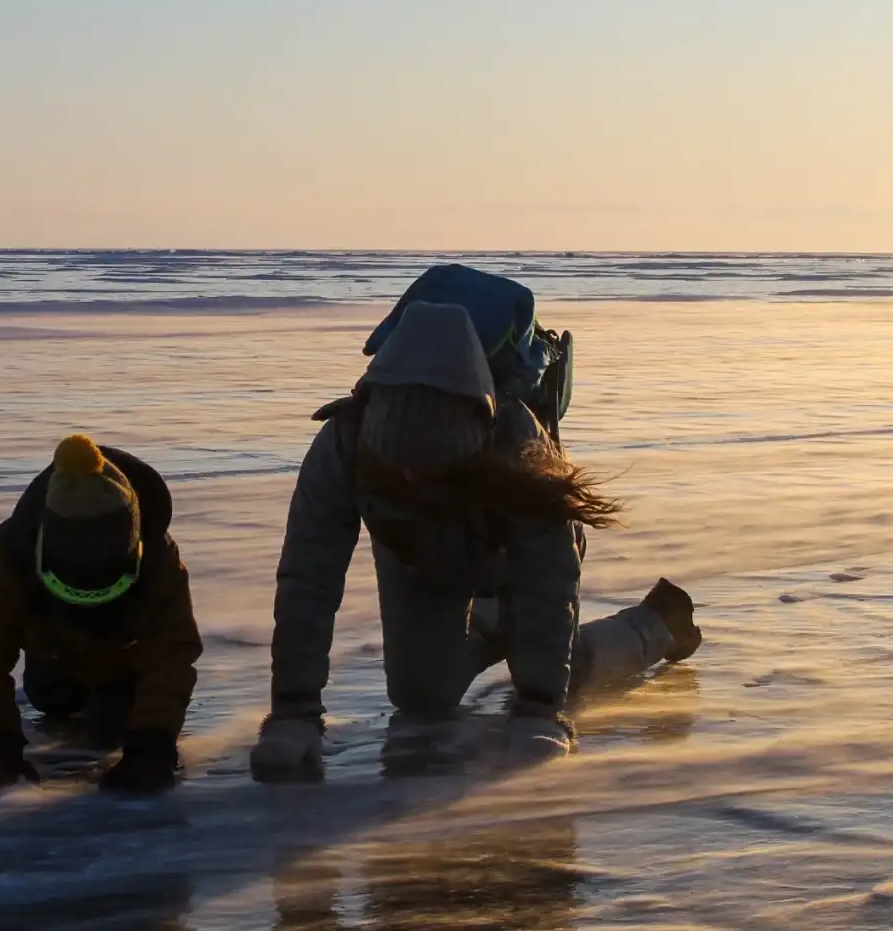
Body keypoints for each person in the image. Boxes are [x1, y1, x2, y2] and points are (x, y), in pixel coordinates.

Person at [250, 300, 701, 781]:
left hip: (515, 562)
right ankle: (492, 627)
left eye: (432, 465)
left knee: (557, 663)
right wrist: (294, 713)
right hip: (418, 558)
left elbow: (548, 585)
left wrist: (539, 710)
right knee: (421, 697)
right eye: (397, 462)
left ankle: (657, 622)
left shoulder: (518, 447)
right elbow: (308, 577)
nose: (411, 476)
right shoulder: (344, 444)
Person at [0, 434, 201, 793]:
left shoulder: (159, 557)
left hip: (123, 659)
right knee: (51, 699)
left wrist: (154, 743)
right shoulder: (9, 551)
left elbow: (172, 654)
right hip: (53, 650)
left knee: (113, 728)